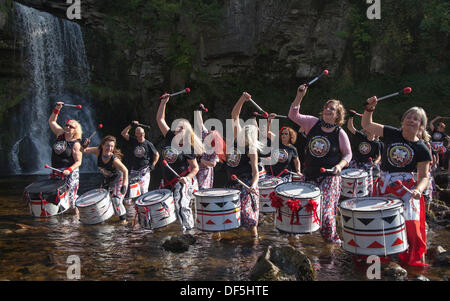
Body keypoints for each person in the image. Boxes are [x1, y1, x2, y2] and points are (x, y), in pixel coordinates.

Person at [362, 97, 432, 266]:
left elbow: (424, 176)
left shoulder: (422, 149)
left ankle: (413, 261)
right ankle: (379, 257)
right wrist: (369, 108)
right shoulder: (392, 133)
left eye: (416, 119)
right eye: (409, 116)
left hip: (408, 189)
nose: (411, 120)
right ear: (403, 120)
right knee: (380, 221)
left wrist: (419, 190)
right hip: (385, 184)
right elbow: (367, 125)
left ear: (421, 126)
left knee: (412, 227)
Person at [288, 84, 352, 244]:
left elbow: (348, 154)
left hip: (329, 178)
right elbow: (293, 115)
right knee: (301, 209)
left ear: (338, 114)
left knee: (325, 214)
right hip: (309, 174)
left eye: (332, 109)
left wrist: (340, 165)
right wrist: (300, 95)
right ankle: (298, 244)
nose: (328, 110)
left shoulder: (340, 133)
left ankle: (330, 245)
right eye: (326, 107)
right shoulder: (312, 123)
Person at [157, 93, 203, 232]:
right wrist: (164, 102)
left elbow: (195, 168)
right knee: (163, 206)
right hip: (167, 180)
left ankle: (189, 232)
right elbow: (160, 119)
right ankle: (166, 231)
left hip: (182, 180)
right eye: (177, 126)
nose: (178, 129)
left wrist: (186, 178)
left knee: (180, 204)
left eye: (182, 128)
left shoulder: (187, 146)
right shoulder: (169, 137)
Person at [225, 92, 262, 238]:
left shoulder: (252, 149)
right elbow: (234, 115)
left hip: (246, 184)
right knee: (230, 214)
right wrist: (242, 99)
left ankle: (254, 240)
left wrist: (253, 186)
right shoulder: (236, 140)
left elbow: (255, 172)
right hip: (232, 183)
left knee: (247, 214)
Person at [82, 135, 129, 223]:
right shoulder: (98, 151)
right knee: (101, 199)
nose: (109, 148)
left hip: (119, 180)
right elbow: (83, 151)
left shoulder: (114, 160)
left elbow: (125, 170)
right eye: (107, 145)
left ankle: (124, 220)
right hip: (107, 180)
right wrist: (85, 145)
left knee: (116, 199)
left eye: (112, 146)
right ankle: (103, 218)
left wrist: (124, 186)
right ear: (102, 145)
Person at [48, 102, 83, 209]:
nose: (68, 127)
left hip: (70, 173)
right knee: (55, 196)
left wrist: (69, 169)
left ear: (75, 130)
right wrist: (57, 109)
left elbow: (78, 162)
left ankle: (76, 220)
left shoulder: (76, 144)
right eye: (67, 125)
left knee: (71, 199)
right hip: (56, 170)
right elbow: (52, 121)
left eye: (71, 126)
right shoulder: (60, 134)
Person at [347, 110, 382, 195]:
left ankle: (368, 197)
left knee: (367, 185)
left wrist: (375, 162)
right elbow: (350, 127)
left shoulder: (377, 144)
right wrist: (351, 117)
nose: (368, 131)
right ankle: (350, 196)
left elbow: (379, 156)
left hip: (367, 165)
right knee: (350, 181)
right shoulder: (361, 136)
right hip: (356, 162)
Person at [121, 121, 159, 195]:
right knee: (133, 192)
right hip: (134, 170)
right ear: (136, 134)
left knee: (144, 191)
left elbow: (157, 155)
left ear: (144, 134)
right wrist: (131, 125)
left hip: (144, 170)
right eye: (139, 133)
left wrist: (152, 165)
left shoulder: (148, 144)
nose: (141, 135)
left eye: (142, 133)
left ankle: (145, 205)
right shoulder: (133, 141)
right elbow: (123, 133)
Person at [193, 110, 221, 189]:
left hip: (204, 172)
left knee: (202, 190)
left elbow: (213, 164)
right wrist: (198, 111)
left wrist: (201, 160)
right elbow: (200, 123)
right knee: (192, 190)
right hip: (194, 169)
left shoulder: (215, 148)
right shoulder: (205, 135)